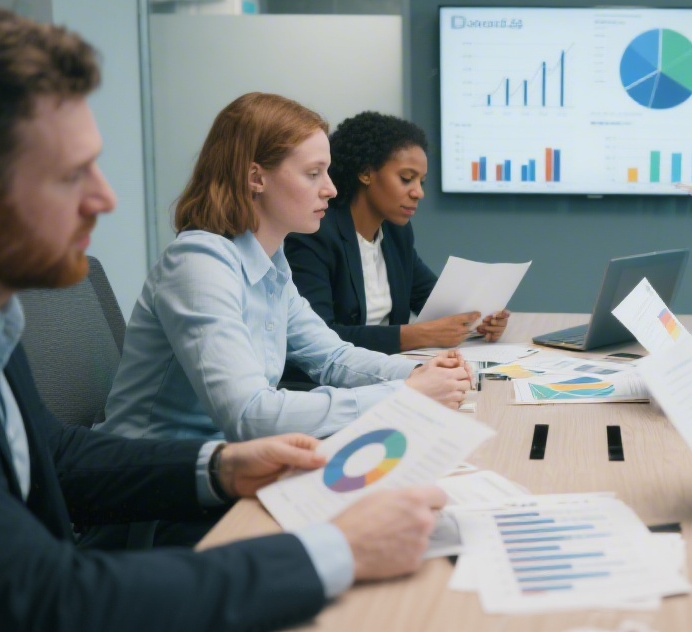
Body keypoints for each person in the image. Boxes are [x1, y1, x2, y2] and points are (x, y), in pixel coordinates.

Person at [0, 2, 448, 631]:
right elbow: (46, 596)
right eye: (71, 175)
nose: (106, 197)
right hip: (129, 542)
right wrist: (339, 549)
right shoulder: (199, 261)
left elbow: (55, 454)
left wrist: (218, 467)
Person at [98, 94, 473, 448]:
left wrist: (421, 374)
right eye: (313, 173)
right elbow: (250, 415)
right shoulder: (198, 265)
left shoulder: (271, 262)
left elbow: (332, 357)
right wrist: (404, 393)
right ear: (256, 177)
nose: (330, 189)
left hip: (231, 459)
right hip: (160, 474)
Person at [281, 112, 508, 387]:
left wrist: (481, 321)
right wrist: (416, 335)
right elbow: (319, 339)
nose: (418, 192)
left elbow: (435, 302)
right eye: (406, 178)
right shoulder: (315, 234)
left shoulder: (396, 233)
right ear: (366, 173)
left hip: (388, 378)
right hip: (326, 388)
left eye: (421, 182)